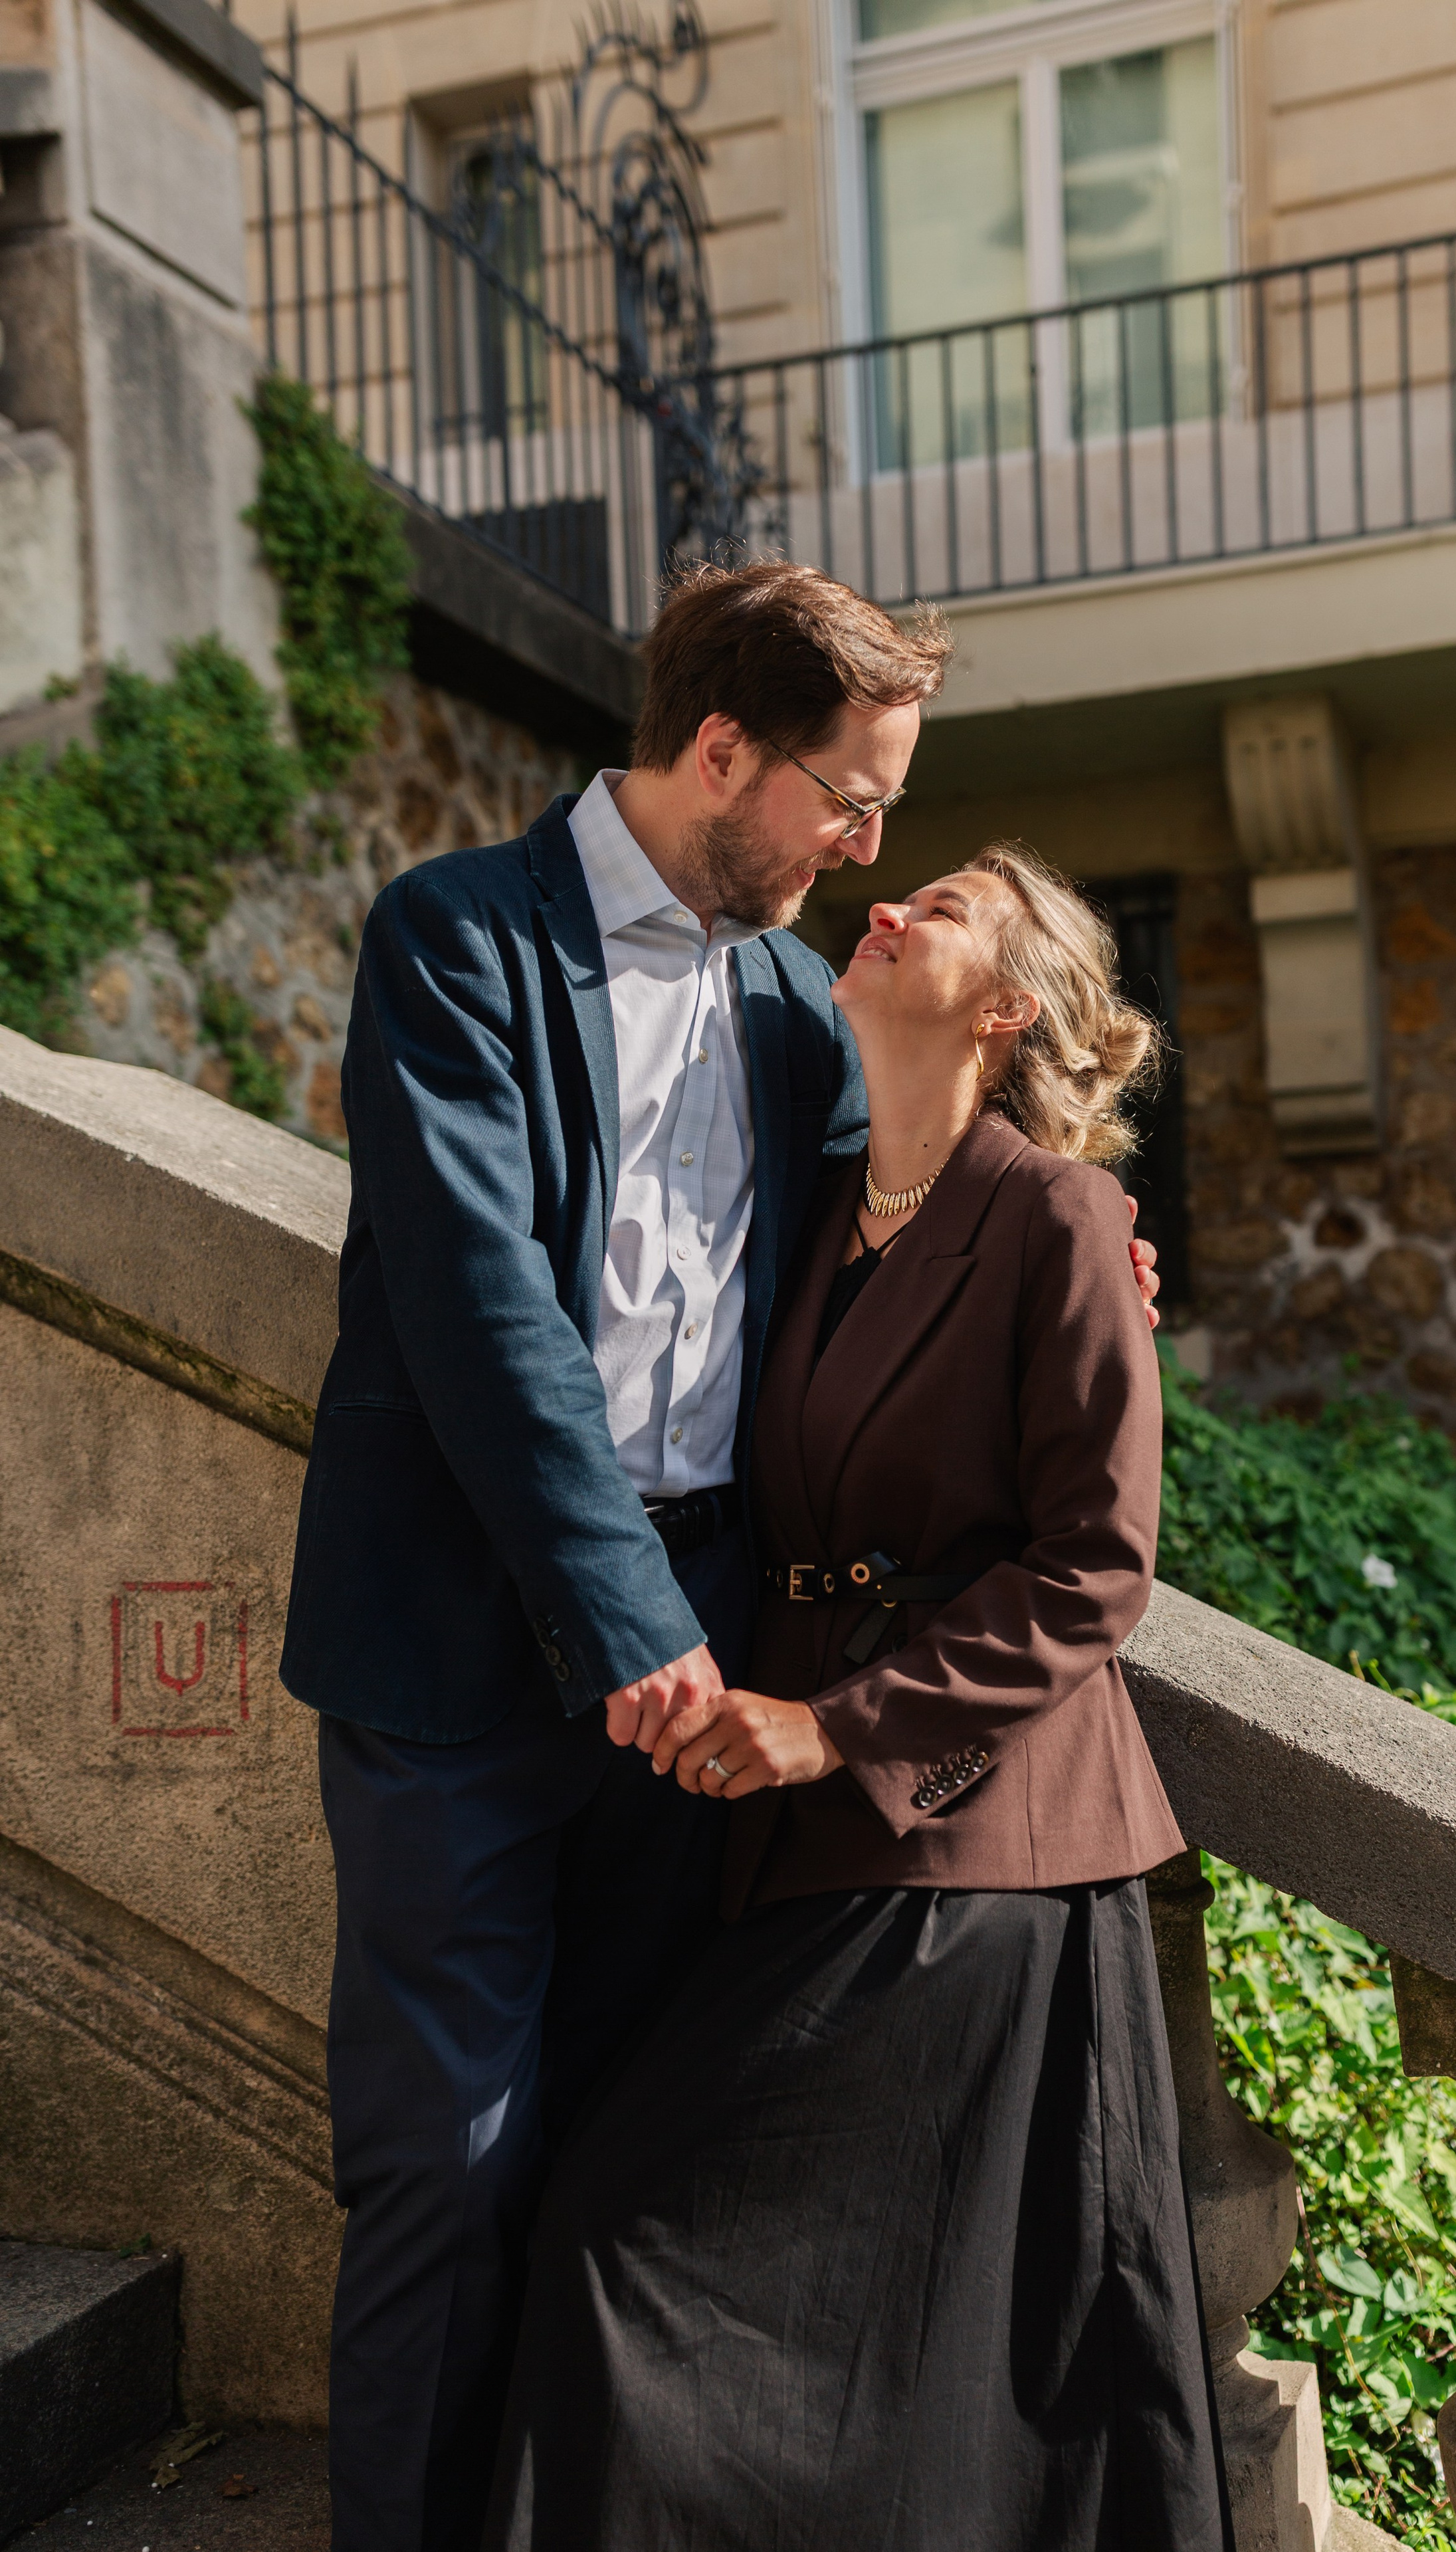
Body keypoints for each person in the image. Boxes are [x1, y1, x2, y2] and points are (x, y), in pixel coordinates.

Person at [279, 563, 1163, 2552]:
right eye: (850, 799)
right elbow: (482, 1314)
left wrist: (1096, 1260)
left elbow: (948, 1179)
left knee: (618, 2162)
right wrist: (632, 1635)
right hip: (465, 1668)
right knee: (446, 2160)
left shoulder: (791, 999)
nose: (873, 843)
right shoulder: (455, 940)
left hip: (718, 1674)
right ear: (719, 752)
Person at [484, 845, 1228, 2552]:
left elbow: (1096, 1568)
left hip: (981, 1859)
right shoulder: (822, 1214)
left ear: (1003, 1008)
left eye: (943, 903)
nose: (885, 905)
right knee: (781, 2322)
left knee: (646, 2255)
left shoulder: (1056, 1212)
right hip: (796, 1840)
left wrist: (831, 1724)